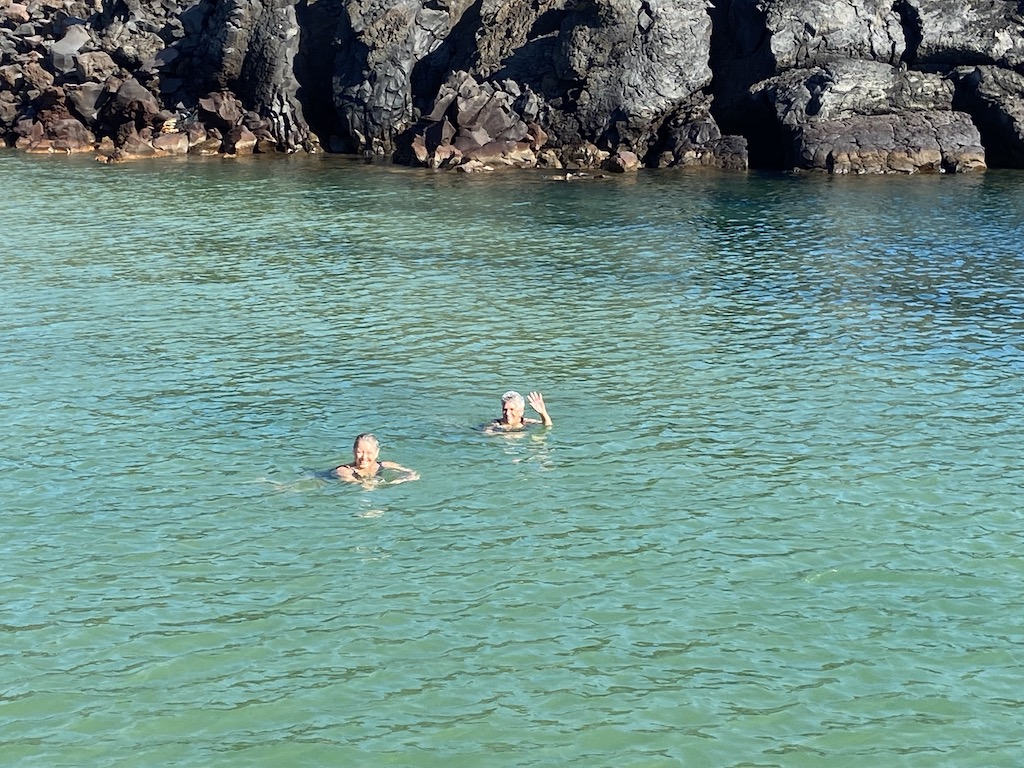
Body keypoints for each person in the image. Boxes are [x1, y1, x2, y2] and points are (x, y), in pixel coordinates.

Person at [333, 433, 419, 485]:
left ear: (376, 453)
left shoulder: (385, 465)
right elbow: (351, 481)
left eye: (369, 453)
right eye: (360, 452)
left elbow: (411, 473)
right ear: (353, 451)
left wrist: (406, 477)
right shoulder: (344, 470)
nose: (364, 457)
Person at [485, 390, 552, 432]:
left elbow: (548, 426)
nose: (507, 413)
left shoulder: (526, 422)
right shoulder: (495, 424)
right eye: (505, 410)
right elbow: (487, 433)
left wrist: (543, 413)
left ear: (521, 411)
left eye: (512, 409)